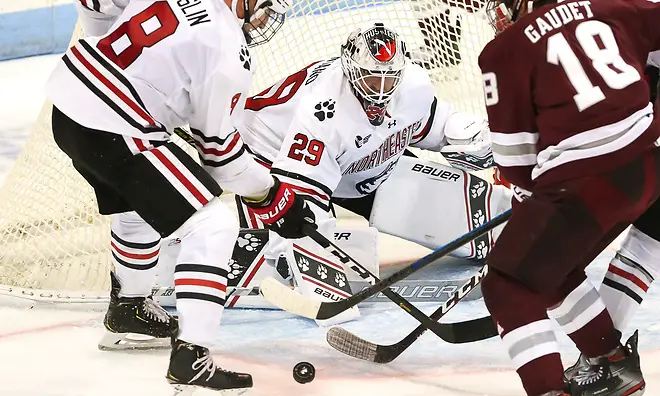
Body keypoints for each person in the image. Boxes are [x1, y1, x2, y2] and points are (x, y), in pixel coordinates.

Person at [45, 0, 314, 392]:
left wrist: (128, 66)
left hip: (69, 104)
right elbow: (220, 157)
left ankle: (129, 308)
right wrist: (274, 197)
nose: (265, 16)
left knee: (141, 204)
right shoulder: (226, 48)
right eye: (265, 4)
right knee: (214, 224)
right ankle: (193, 358)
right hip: (114, 125)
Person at [233, 22, 511, 324]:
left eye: (389, 79)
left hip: (353, 162)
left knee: (464, 219)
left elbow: (431, 126)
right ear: (351, 71)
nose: (380, 91)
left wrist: (467, 138)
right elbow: (303, 201)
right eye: (370, 80)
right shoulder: (323, 110)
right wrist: (313, 261)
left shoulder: (413, 84)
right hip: (268, 151)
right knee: (286, 251)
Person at [478, 0, 660, 394]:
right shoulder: (609, 9)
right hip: (649, 165)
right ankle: (612, 363)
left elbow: (514, 163)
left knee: (507, 285)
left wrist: (529, 203)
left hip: (587, 182)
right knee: (551, 266)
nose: (499, 14)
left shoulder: (502, 50)